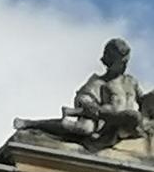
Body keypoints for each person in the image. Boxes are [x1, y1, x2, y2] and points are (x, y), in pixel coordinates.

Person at [14, 38, 144, 149]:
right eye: (120, 62)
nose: (124, 65)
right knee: (84, 128)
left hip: (125, 124)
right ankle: (32, 124)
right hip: (103, 122)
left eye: (125, 61)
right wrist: (90, 106)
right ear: (110, 61)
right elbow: (84, 98)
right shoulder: (99, 82)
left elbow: (144, 100)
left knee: (136, 119)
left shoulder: (131, 81)